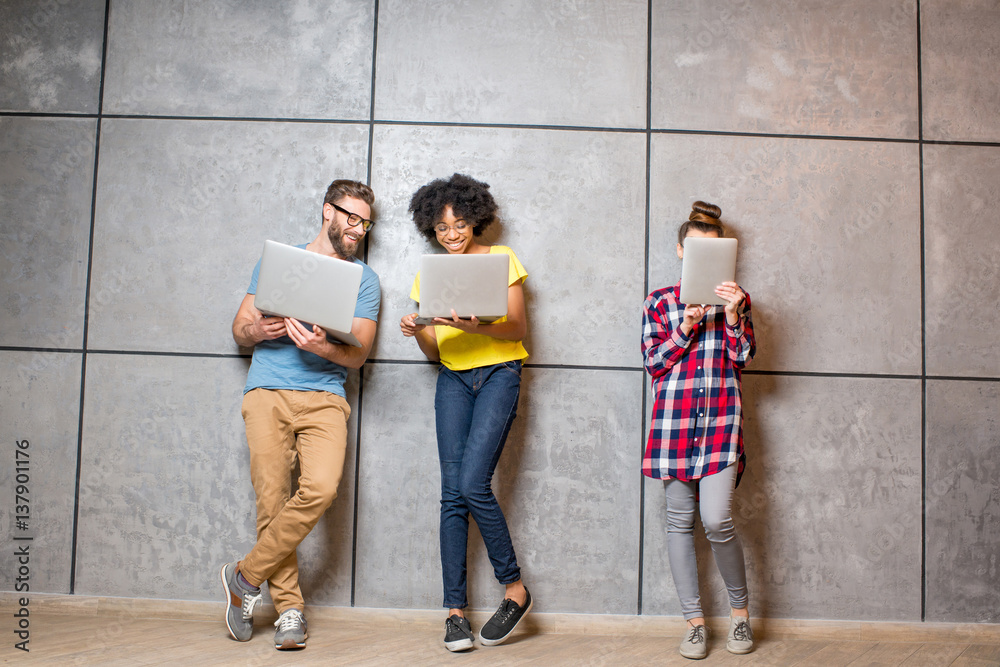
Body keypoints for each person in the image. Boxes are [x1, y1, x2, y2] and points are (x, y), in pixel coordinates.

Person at [221, 179, 380, 650]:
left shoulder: (364, 280)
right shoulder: (279, 262)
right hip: (267, 390)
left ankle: (244, 577)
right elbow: (239, 331)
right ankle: (290, 610)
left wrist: (323, 346)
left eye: (365, 222)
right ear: (326, 212)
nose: (358, 229)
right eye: (351, 217)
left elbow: (360, 355)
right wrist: (260, 328)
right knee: (272, 500)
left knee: (320, 488)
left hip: (325, 397)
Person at [399, 173, 533, 652]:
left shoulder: (501, 259)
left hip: (499, 373)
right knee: (452, 495)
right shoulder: (430, 275)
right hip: (453, 380)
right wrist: (417, 328)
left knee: (473, 482)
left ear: (476, 219)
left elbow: (518, 326)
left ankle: (514, 588)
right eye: (440, 228)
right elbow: (436, 353)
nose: (451, 234)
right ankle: (455, 613)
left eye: (458, 223)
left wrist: (481, 324)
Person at [641, 201, 756, 659]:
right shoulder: (660, 302)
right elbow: (654, 363)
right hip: (673, 428)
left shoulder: (739, 300)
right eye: (694, 250)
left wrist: (732, 316)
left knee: (717, 519)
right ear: (680, 250)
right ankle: (694, 623)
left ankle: (741, 616)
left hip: (722, 427)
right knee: (678, 523)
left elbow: (744, 357)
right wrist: (686, 325)